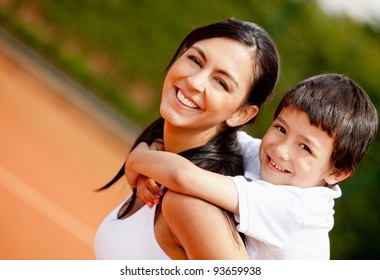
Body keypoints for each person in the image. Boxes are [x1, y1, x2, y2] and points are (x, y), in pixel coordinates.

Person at [126, 73, 378, 259]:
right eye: (281, 129)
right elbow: (207, 139)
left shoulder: (298, 207)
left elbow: (181, 176)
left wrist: (137, 160)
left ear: (336, 172)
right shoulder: (270, 158)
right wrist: (155, 151)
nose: (281, 150)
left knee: (184, 202)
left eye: (305, 148)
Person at [94, 18, 280, 259]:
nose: (194, 82)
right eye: (195, 60)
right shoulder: (157, 156)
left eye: (221, 83)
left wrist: (138, 159)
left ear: (240, 114)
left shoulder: (191, 204)